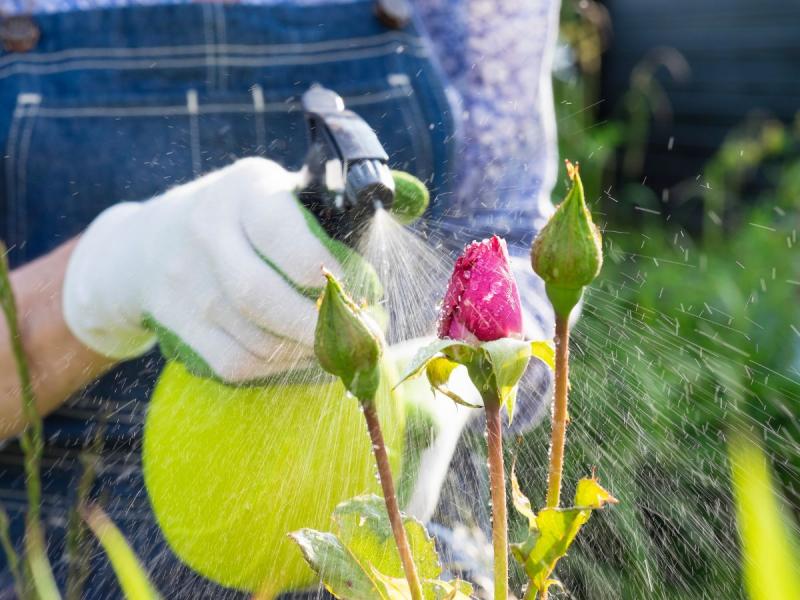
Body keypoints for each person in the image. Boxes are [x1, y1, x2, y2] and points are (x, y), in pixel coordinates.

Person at [0, 0, 559, 596]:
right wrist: (101, 279)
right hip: (57, 554)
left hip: (392, 555)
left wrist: (456, 388)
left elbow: (514, 247)